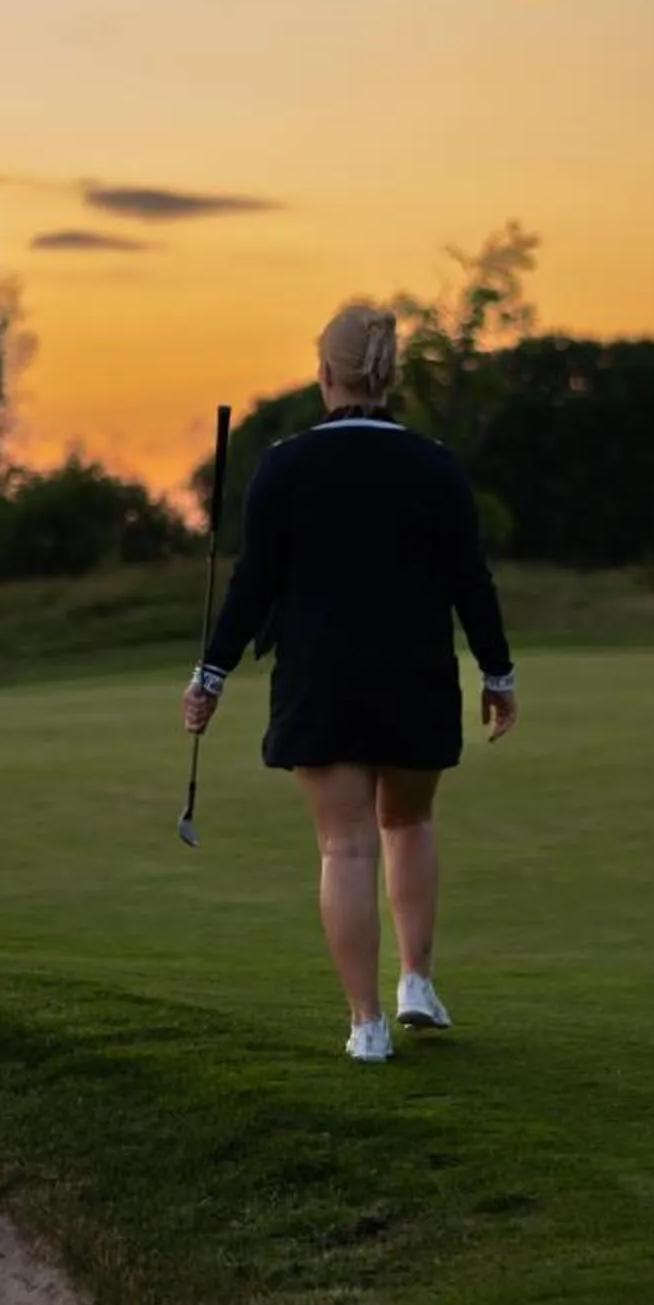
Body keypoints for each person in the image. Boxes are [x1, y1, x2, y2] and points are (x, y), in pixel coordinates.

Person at [181, 302, 519, 1063]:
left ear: (324, 374)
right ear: (389, 375)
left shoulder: (284, 465)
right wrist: (497, 673)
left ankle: (367, 1025)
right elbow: (471, 582)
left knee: (346, 847)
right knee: (409, 822)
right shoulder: (436, 464)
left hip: (321, 679)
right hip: (415, 674)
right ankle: (417, 982)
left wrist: (211, 674)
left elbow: (252, 586)